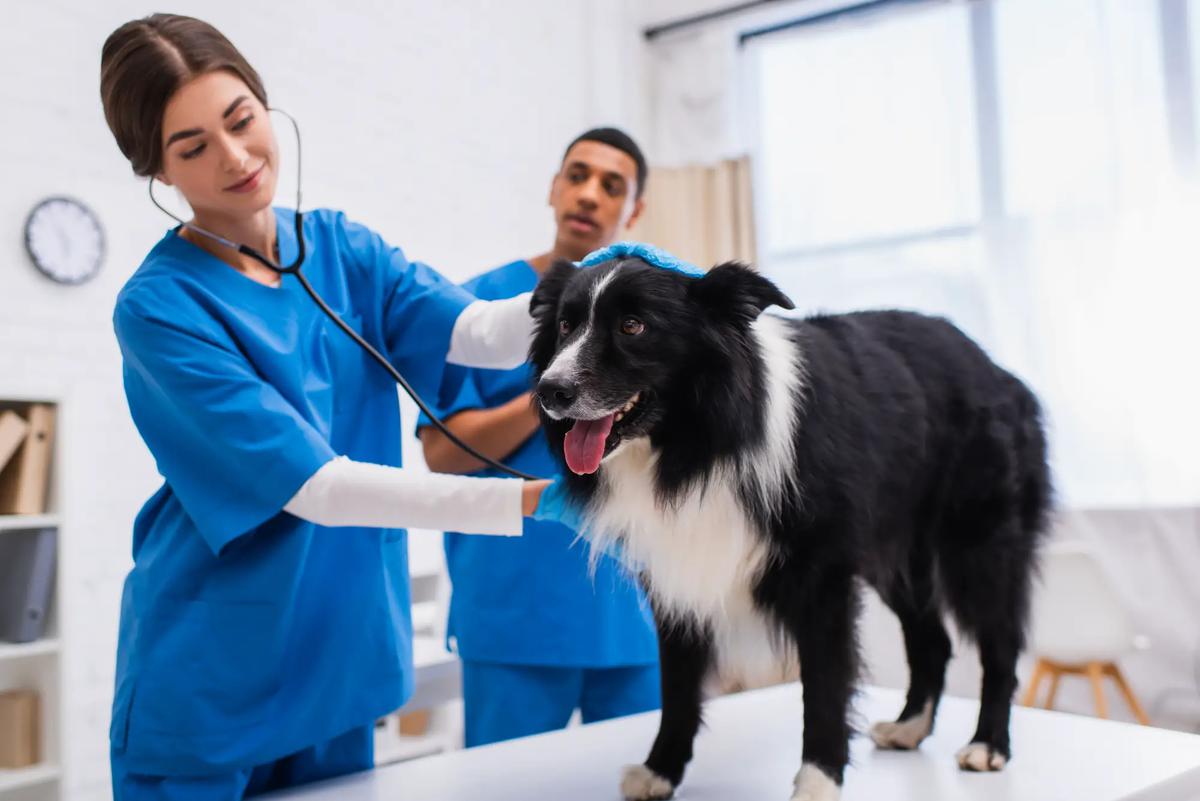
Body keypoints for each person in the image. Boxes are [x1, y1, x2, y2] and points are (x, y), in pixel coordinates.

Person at [99, 14, 584, 799]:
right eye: (193, 147)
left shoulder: (340, 247)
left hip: (340, 665)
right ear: (157, 169)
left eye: (241, 119)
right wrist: (534, 499)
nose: (235, 157)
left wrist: (599, 299)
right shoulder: (160, 308)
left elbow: (477, 331)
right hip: (213, 680)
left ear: (263, 104)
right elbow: (320, 488)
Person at [417, 128, 660, 748]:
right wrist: (555, 386)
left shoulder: (659, 316)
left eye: (612, 186)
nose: (589, 194)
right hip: (513, 614)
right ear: (554, 188)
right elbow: (441, 454)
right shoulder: (476, 305)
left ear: (632, 211)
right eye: (577, 175)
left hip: (637, 611)